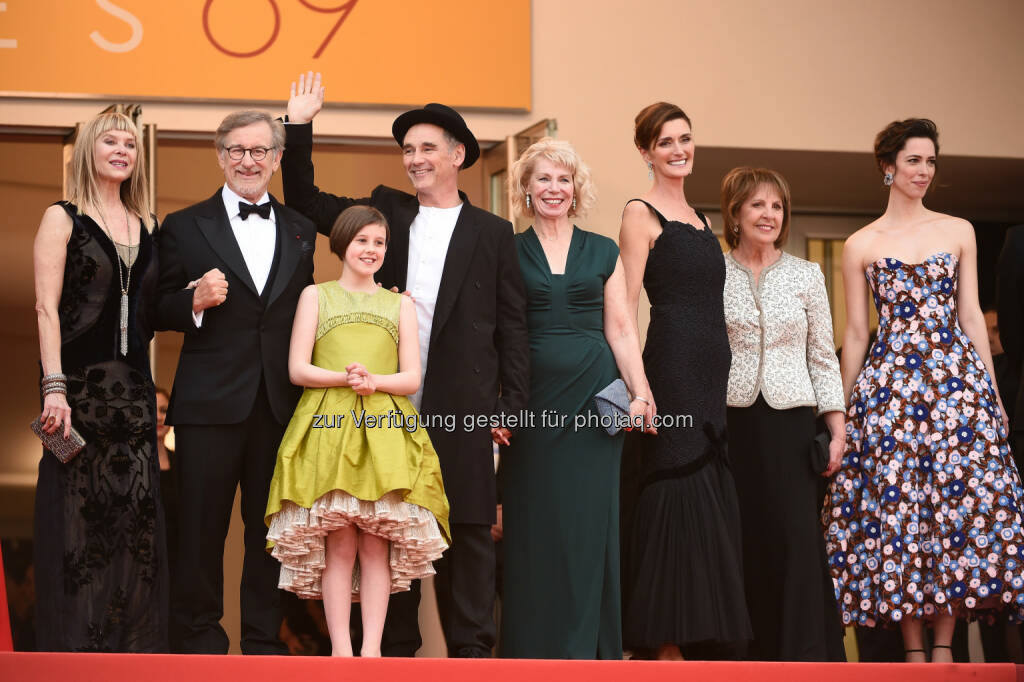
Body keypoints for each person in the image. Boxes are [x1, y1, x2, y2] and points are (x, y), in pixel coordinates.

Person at [281, 72, 529, 657]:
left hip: (463, 405)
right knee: (384, 529)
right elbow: (308, 201)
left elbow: (513, 326)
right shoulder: (385, 210)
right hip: (383, 400)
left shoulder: (494, 233)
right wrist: (298, 126)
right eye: (408, 150)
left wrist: (510, 404)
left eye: (425, 149)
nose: (414, 159)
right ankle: (392, 657)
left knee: (467, 530)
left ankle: (470, 658)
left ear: (458, 155)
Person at [823, 118, 1024, 663]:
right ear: (888, 166)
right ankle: (913, 653)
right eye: (914, 160)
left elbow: (973, 318)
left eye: (931, 161)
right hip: (889, 390)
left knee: (953, 507)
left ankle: (943, 647)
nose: (924, 171)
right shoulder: (861, 242)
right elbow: (858, 332)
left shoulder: (958, 229)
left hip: (955, 385)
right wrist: (840, 410)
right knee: (899, 510)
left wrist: (993, 394)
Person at [156, 110, 317, 654]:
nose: (248, 161)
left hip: (279, 404)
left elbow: (306, 313)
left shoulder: (302, 228)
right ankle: (199, 639)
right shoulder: (182, 225)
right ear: (220, 156)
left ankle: (261, 641)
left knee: (270, 533)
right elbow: (153, 306)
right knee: (201, 530)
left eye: (259, 151)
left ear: (275, 158)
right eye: (236, 151)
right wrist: (192, 301)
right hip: (207, 406)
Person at [264, 205, 450, 657]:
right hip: (327, 424)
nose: (371, 250)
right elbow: (296, 368)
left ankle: (371, 651)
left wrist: (373, 382)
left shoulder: (399, 303)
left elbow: (412, 378)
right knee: (339, 540)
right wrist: (345, 379)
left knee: (376, 542)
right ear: (343, 243)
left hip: (385, 426)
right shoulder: (315, 295)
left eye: (379, 243)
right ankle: (341, 651)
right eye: (363, 240)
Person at [498, 139, 655, 659]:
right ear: (525, 187)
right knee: (535, 528)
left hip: (596, 402)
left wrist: (642, 392)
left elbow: (622, 327)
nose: (554, 189)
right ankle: (533, 654)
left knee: (589, 528)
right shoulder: (508, 249)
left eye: (563, 180)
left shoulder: (603, 250)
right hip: (532, 402)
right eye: (543, 179)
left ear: (576, 189)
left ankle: (590, 653)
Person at [618, 102, 751, 660]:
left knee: (707, 492)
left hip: (711, 373)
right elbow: (623, 306)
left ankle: (698, 646)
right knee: (674, 485)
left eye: (685, 139)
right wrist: (637, 388)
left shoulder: (700, 218)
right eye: (666, 142)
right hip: (670, 366)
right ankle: (665, 648)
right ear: (646, 152)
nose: (679, 150)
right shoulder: (639, 212)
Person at [32, 111, 166, 651]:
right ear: (89, 149)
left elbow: (154, 310)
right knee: (78, 528)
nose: (121, 150)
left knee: (135, 532)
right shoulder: (61, 218)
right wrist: (54, 387)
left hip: (134, 401)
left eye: (130, 144)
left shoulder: (149, 223)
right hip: (77, 396)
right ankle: (77, 655)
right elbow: (45, 308)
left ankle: (130, 657)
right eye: (110, 141)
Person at [719, 167, 846, 661]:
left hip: (794, 426)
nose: (769, 214)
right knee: (742, 535)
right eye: (757, 205)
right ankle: (742, 655)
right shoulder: (715, 272)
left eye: (776, 206)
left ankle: (800, 654)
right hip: (733, 425)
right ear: (735, 213)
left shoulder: (807, 274)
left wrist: (836, 427)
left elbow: (822, 356)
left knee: (794, 538)